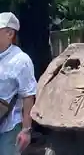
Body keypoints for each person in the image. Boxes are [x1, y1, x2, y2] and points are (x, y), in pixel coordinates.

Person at [0, 12, 37, 154]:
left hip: (9, 128)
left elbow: (28, 96)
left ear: (10, 34)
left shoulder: (21, 60)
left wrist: (26, 130)